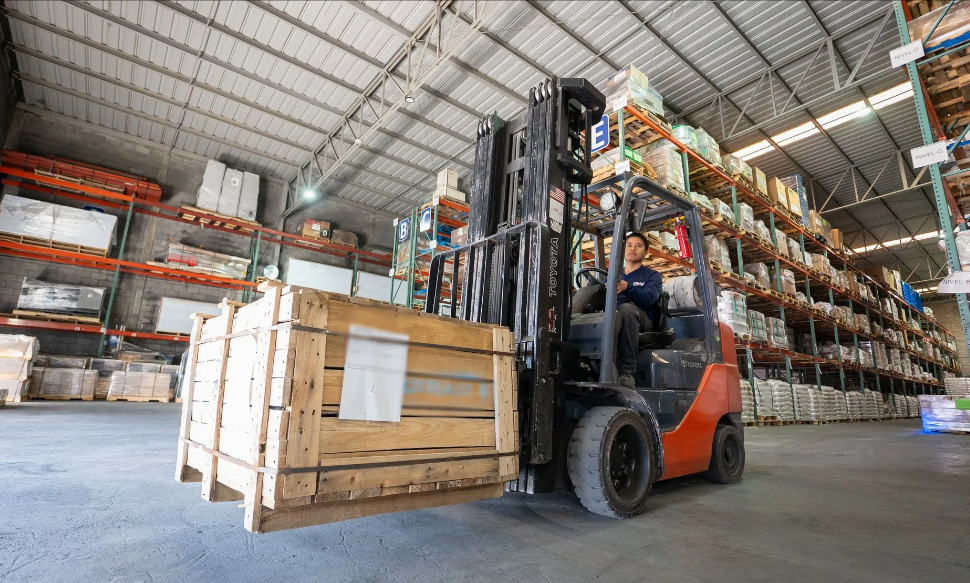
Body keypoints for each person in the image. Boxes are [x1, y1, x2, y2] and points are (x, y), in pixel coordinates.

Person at [616, 232, 663, 387]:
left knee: (626, 309)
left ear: (646, 252)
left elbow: (649, 299)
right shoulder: (613, 274)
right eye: (629, 245)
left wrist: (627, 287)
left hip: (642, 319)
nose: (632, 249)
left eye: (638, 246)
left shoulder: (652, 276)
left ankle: (627, 372)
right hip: (615, 316)